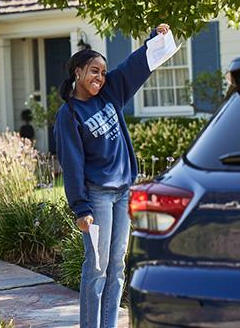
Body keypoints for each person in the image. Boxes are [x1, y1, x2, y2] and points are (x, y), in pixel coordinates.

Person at [54, 23, 170, 328]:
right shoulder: (69, 115)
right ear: (77, 72)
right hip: (97, 195)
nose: (100, 78)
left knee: (117, 266)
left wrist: (153, 40)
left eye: (103, 72)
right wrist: (81, 207)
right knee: (97, 268)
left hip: (123, 191)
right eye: (94, 71)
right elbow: (72, 163)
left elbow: (134, 66)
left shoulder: (111, 93)